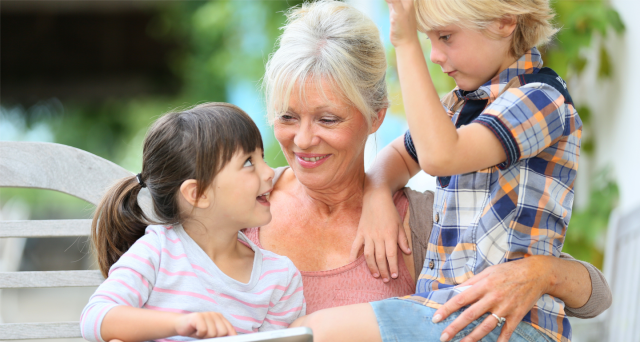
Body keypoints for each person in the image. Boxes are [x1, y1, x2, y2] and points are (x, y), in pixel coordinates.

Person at [257, 1, 608, 342]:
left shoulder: (541, 99)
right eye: (287, 116)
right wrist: (377, 191)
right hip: (452, 314)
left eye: (445, 37)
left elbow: (439, 155)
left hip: (498, 323)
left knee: (314, 332)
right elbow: (404, 153)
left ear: (504, 22)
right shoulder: (461, 105)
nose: (436, 55)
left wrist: (406, 41)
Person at [80, 103, 305, 342]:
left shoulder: (280, 277)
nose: (270, 172)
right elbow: (95, 317)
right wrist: (180, 324)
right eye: (249, 162)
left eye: (262, 157)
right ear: (198, 194)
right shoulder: (157, 252)